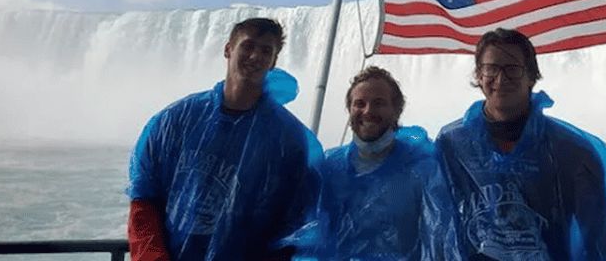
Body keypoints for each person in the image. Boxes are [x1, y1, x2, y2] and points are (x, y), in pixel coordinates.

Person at [436, 28, 606, 261]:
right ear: (479, 75)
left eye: (512, 69)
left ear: (531, 76)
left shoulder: (570, 150)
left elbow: (598, 241)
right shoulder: (452, 144)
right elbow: (435, 223)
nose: (500, 79)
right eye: (491, 69)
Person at [126, 17, 321, 261]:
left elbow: (294, 224)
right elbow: (144, 200)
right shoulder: (176, 120)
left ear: (273, 62)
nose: (255, 56)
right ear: (228, 49)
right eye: (248, 46)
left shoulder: (287, 138)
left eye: (266, 51)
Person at [311, 65, 459, 260]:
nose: (368, 111)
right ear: (349, 109)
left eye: (378, 103)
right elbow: (311, 235)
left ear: (397, 110)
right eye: (359, 103)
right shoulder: (330, 167)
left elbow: (440, 241)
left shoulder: (421, 169)